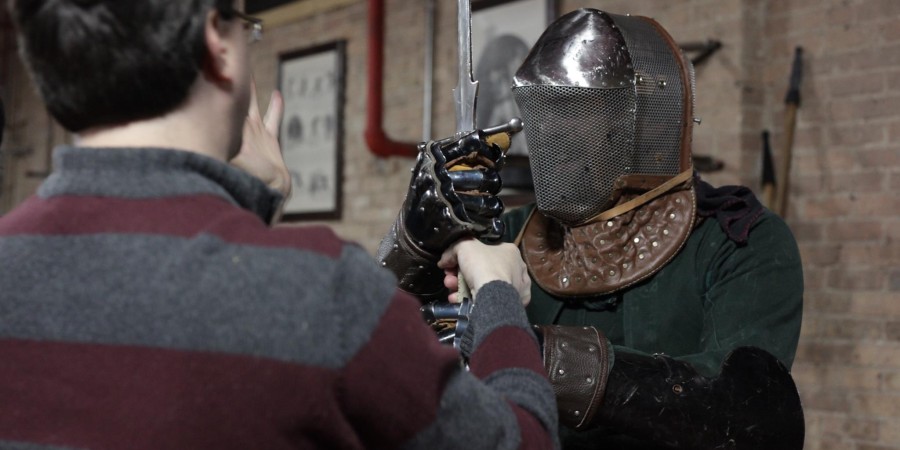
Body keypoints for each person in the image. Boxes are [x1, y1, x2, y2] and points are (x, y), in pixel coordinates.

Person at [0, 1, 559, 449]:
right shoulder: (322, 290)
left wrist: (252, 207)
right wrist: (497, 295)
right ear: (217, 43)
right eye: (247, 27)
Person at [378, 8, 804, 449]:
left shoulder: (737, 242)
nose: (548, 129)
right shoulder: (509, 235)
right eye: (542, 110)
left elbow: (749, 415)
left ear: (642, 117)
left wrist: (523, 347)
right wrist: (413, 244)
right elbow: (378, 349)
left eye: (573, 109)